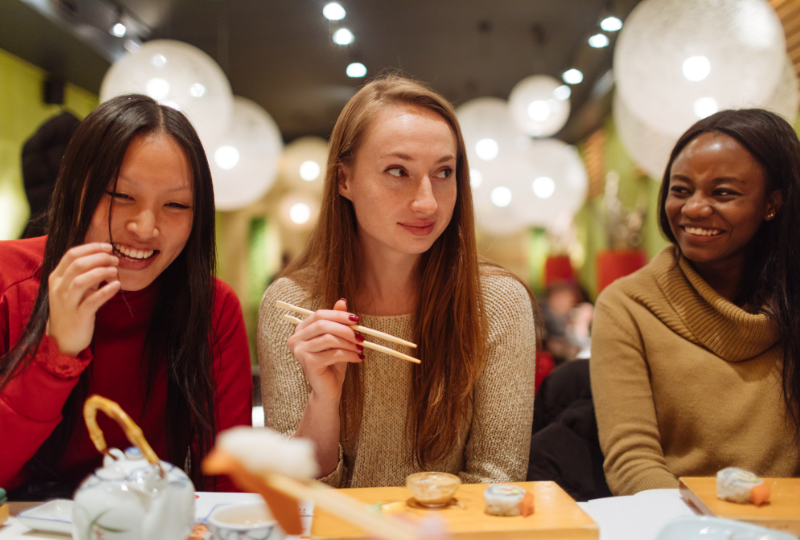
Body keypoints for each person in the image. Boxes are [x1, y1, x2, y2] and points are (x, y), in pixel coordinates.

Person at [259, 75, 537, 488]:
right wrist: (324, 399)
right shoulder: (292, 304)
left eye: (444, 172)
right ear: (344, 180)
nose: (427, 201)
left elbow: (496, 486)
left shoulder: (496, 304)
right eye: (397, 171)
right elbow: (297, 495)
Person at [0, 94, 252, 498]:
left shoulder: (212, 307)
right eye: (120, 195)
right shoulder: (7, 279)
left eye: (176, 204)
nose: (145, 227)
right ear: (75, 189)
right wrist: (57, 353)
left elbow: (228, 485)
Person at [591, 109, 800, 496]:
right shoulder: (627, 305)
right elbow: (632, 460)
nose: (693, 208)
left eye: (722, 193)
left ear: (773, 203)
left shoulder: (791, 301)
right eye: (681, 189)